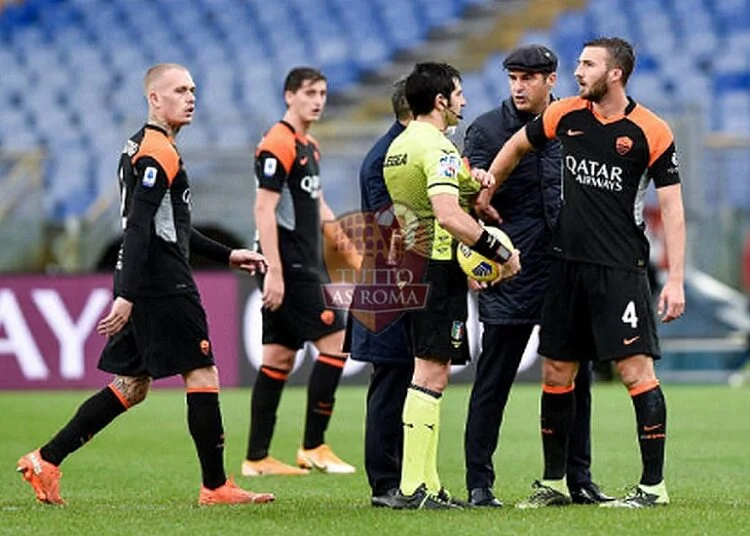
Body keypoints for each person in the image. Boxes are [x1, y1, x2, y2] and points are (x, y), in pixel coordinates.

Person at [16, 63, 275, 506]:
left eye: (193, 88)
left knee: (131, 385)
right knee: (203, 371)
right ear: (155, 98)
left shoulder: (141, 145)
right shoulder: (158, 152)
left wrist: (226, 254)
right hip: (162, 282)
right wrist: (127, 294)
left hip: (148, 277)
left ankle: (46, 459)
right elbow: (139, 227)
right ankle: (215, 487)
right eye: (179, 90)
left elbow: (169, 224)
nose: (191, 97)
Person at [484, 37, 685, 508]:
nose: (578, 71)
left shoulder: (650, 130)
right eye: (578, 63)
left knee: (636, 372)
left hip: (620, 270)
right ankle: (554, 484)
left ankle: (652, 487)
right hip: (566, 266)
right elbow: (516, 145)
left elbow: (672, 210)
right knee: (557, 370)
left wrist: (674, 278)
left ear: (615, 73)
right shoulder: (564, 115)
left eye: (588, 64)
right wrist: (488, 189)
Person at [463, 44, 612, 507]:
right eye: (513, 77)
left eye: (529, 77)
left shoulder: (575, 123)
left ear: (551, 80)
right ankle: (479, 483)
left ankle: (578, 478)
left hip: (566, 269)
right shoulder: (486, 130)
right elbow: (469, 203)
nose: (519, 85)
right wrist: (474, 261)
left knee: (576, 379)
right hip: (509, 273)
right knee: (494, 378)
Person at [383, 62, 521, 509]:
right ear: (441, 101)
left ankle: (428, 484)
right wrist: (500, 254)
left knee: (429, 370)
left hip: (410, 262)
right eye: (458, 94)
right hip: (435, 269)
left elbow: (429, 201)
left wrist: (472, 179)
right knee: (430, 373)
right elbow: (446, 215)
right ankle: (413, 488)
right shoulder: (438, 147)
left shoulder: (401, 145)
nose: (463, 101)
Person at [242, 67, 355, 477]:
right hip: (289, 264)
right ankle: (314, 445)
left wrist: (342, 242)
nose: (318, 100)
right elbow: (263, 209)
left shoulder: (309, 145)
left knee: (279, 357)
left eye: (323, 92)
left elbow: (317, 201)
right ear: (290, 96)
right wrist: (273, 271)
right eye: (310, 93)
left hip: (303, 260)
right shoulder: (278, 142)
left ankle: (256, 458)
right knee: (338, 341)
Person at [347, 78, 415, 507]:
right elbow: (385, 223)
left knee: (406, 382)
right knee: (390, 384)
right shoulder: (384, 158)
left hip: (404, 287)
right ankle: (385, 483)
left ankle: (406, 477)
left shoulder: (402, 150)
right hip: (387, 290)